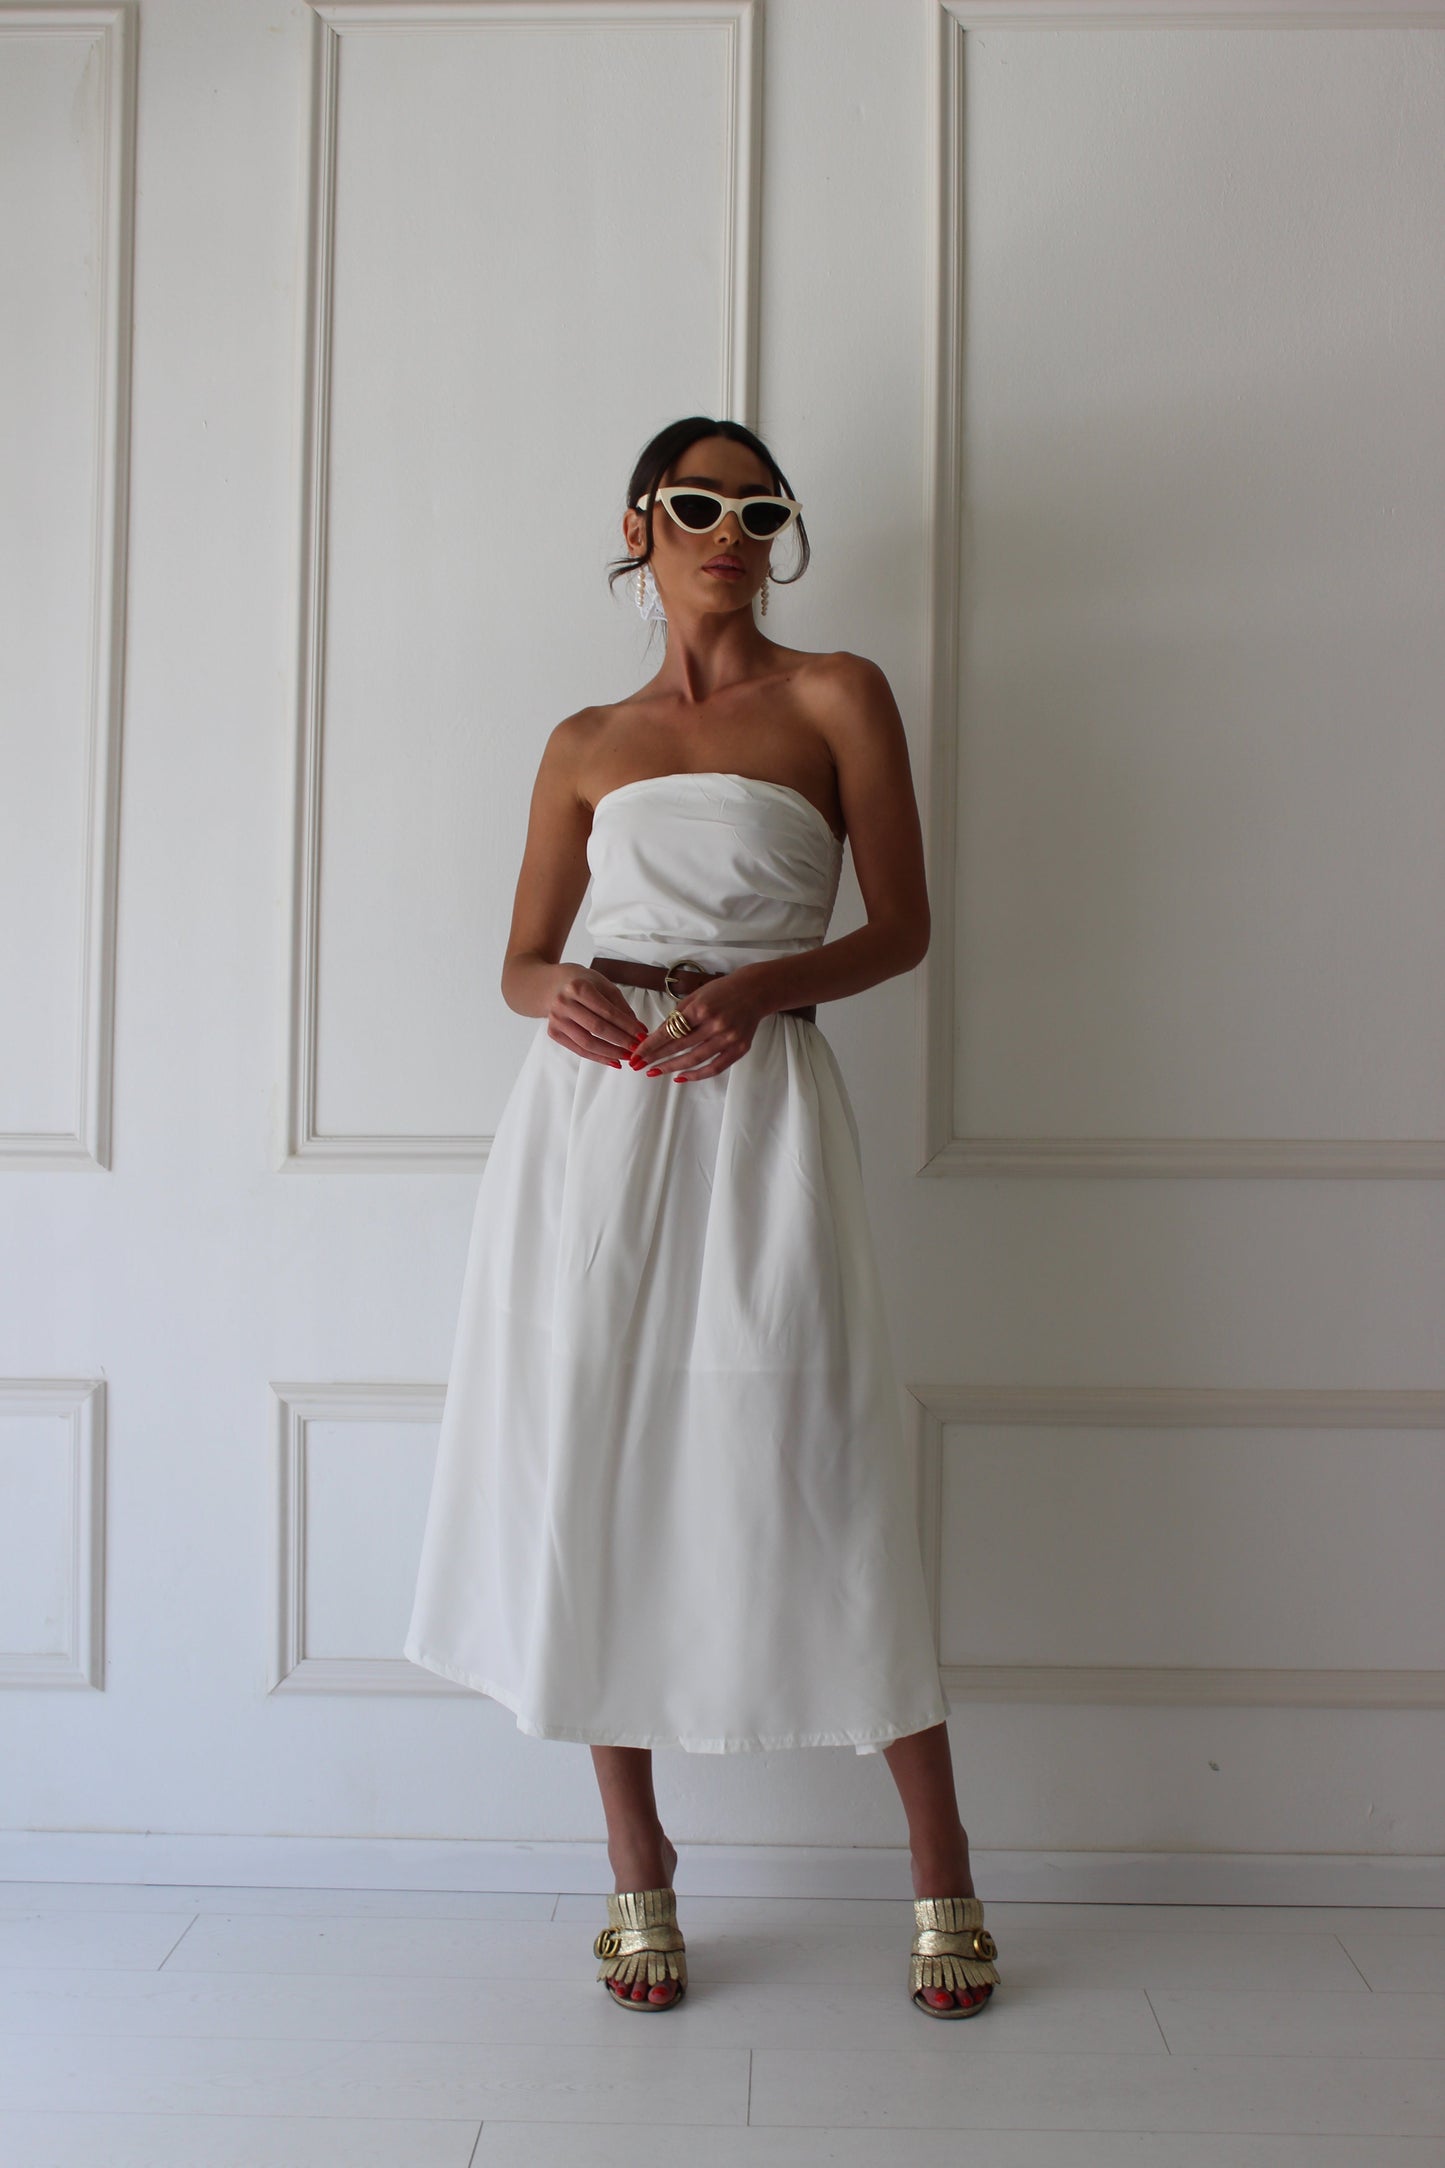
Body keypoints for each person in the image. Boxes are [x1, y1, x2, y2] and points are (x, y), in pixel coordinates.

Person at [403, 416, 1000, 2020]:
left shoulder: (836, 694)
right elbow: (519, 959)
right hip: (592, 1122)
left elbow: (903, 926)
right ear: (639, 525)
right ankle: (636, 1861)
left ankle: (939, 1858)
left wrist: (761, 988)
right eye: (696, 504)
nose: (729, 531)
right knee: (587, 1452)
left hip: (758, 1104)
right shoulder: (584, 739)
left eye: (757, 508)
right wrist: (555, 993)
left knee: (822, 1463)